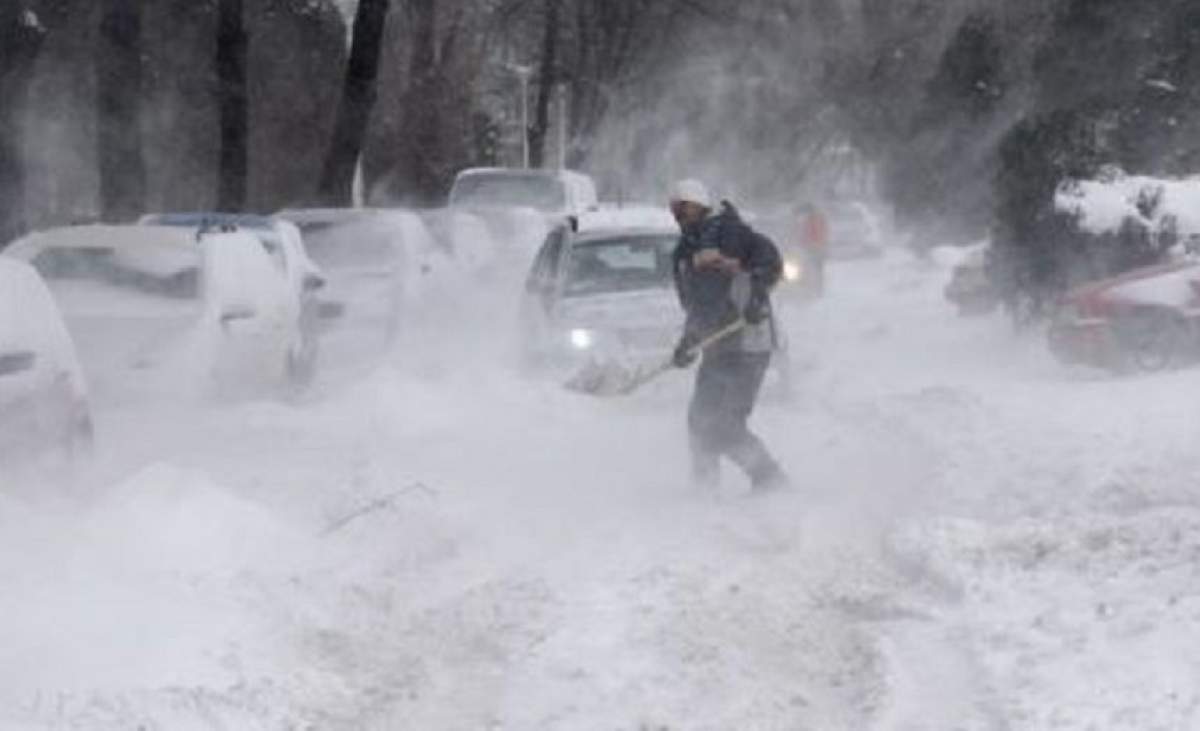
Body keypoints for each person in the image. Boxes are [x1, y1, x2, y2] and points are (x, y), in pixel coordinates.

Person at [668, 178, 788, 492]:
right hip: (717, 348)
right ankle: (705, 487)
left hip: (749, 344)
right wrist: (688, 341)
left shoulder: (729, 232)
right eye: (676, 209)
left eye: (686, 207)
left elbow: (769, 260)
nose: (680, 214)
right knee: (698, 421)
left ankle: (770, 479)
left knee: (724, 425)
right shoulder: (684, 255)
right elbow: (696, 306)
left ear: (702, 206)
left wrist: (757, 296)